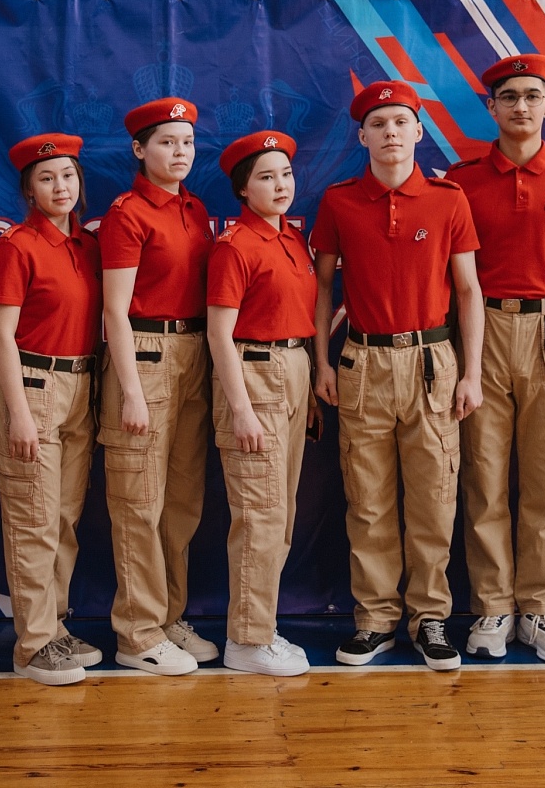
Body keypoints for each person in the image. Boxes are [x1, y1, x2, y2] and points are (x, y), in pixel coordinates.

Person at [312, 79, 484, 671]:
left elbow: (468, 290)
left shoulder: (448, 199)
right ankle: (375, 619)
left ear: (418, 131)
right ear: (362, 136)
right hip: (363, 361)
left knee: (434, 498)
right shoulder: (339, 201)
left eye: (401, 122)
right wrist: (322, 362)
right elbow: (322, 288)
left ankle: (430, 616)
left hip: (433, 361)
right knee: (368, 499)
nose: (390, 133)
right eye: (378, 124)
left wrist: (472, 372)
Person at [444, 54, 545, 664]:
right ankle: (492, 608)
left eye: (532, 95)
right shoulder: (460, 182)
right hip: (482, 334)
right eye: (508, 96)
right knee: (484, 480)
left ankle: (539, 610)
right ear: (491, 107)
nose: (521, 106)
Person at [97, 98, 214, 675]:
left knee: (182, 501)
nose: (180, 152)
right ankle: (137, 631)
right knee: (139, 501)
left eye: (187, 141)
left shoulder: (195, 208)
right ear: (140, 150)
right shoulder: (127, 214)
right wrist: (131, 391)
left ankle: (168, 615)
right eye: (167, 142)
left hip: (194, 352)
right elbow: (114, 311)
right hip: (144, 355)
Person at [0, 134, 104, 685]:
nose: (61, 187)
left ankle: (54, 627)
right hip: (34, 386)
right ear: (29, 190)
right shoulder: (18, 245)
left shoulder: (87, 245)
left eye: (68, 175)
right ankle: (32, 645)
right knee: (33, 519)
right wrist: (18, 413)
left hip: (82, 385)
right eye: (47, 178)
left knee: (63, 518)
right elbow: (0, 334)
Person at [207, 131, 319, 676]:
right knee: (259, 513)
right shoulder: (235, 246)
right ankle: (246, 640)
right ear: (243, 189)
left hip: (293, 369)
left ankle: (262, 626)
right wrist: (242, 410)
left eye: (286, 174)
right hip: (254, 374)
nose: (280, 185)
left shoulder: (292, 239)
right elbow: (219, 334)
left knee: (282, 512)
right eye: (266, 177)